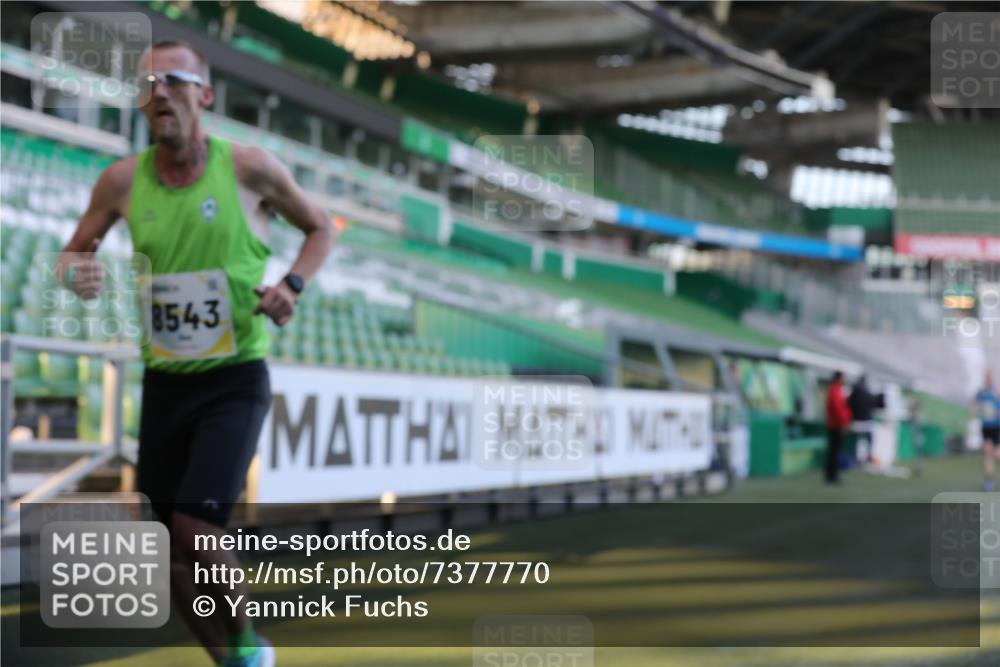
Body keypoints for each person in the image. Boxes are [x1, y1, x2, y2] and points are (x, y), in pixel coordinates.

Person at [60, 40, 335, 667]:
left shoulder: (250, 168)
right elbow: (73, 252)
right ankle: (234, 662)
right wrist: (77, 271)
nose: (159, 92)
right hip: (165, 384)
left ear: (204, 95)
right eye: (148, 83)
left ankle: (251, 652)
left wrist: (292, 285)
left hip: (233, 380)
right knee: (166, 552)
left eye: (174, 80)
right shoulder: (120, 181)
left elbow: (320, 227)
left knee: (198, 532)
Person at [974, 371, 1000, 491]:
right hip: (986, 427)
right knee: (987, 453)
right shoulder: (981, 392)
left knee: (996, 454)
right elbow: (975, 404)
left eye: (990, 377)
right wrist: (975, 411)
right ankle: (989, 480)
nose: (988, 379)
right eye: (987, 377)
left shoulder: (996, 391)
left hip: (996, 427)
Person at [825, 371, 852, 484]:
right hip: (836, 425)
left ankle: (832, 474)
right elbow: (837, 409)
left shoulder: (836, 390)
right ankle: (832, 475)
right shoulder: (835, 390)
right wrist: (843, 422)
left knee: (834, 451)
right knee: (834, 451)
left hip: (836, 424)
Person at [848, 375, 880, 467]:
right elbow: (874, 404)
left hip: (857, 422)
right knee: (867, 442)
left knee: (856, 443)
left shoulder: (854, 394)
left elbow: (849, 404)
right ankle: (866, 458)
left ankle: (856, 459)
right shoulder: (867, 394)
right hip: (865, 421)